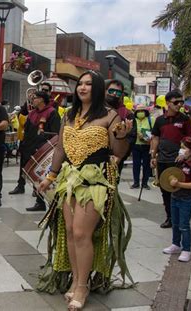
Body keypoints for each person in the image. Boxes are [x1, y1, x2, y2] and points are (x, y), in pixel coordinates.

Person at [37, 71, 134, 309]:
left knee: (81, 232)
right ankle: (76, 279)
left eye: (89, 84)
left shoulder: (109, 116)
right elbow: (60, 147)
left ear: (97, 88)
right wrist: (50, 176)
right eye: (80, 83)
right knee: (70, 231)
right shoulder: (69, 115)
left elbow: (119, 153)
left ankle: (83, 286)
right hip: (69, 179)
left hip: (95, 180)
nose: (82, 87)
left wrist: (122, 135)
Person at [9, 91, 61, 211]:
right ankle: (39, 201)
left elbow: (55, 133)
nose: (32, 100)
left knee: (41, 176)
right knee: (33, 176)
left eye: (35, 98)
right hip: (28, 146)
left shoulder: (52, 112)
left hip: (42, 149)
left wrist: (43, 142)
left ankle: (42, 201)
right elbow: (26, 129)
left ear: (42, 99)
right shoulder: (32, 113)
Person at [150, 90, 191, 228]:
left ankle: (178, 218)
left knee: (176, 190)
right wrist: (153, 155)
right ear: (168, 103)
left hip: (178, 161)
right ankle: (169, 217)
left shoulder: (185, 119)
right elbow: (155, 138)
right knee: (165, 189)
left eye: (181, 102)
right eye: (176, 102)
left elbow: (190, 139)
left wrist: (183, 153)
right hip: (162, 159)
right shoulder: (159, 120)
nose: (179, 105)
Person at [162, 137, 191, 262]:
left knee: (184, 225)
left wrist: (178, 184)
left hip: (186, 199)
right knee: (175, 223)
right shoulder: (181, 162)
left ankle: (186, 249)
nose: (181, 150)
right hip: (175, 196)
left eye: (184, 148)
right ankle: (175, 244)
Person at [105, 80, 136, 176]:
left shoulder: (128, 114)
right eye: (111, 91)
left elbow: (131, 138)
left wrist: (120, 157)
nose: (114, 94)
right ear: (104, 91)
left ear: (122, 94)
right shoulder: (95, 109)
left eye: (118, 92)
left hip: (115, 158)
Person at [130, 104, 154, 190]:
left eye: (142, 111)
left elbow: (153, 134)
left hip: (146, 146)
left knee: (146, 165)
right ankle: (136, 183)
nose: (140, 113)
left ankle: (145, 183)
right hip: (135, 146)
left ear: (146, 112)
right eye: (139, 111)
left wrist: (144, 137)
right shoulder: (133, 120)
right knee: (136, 165)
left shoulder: (150, 120)